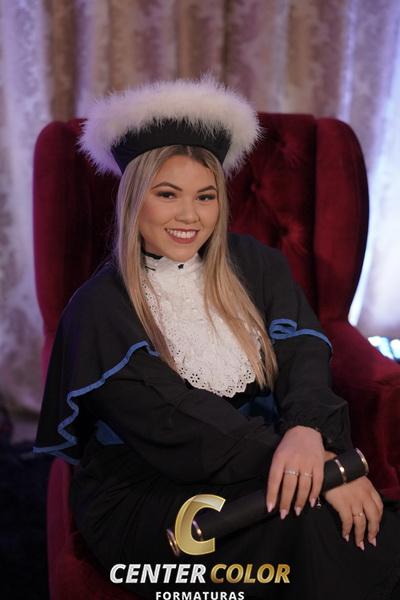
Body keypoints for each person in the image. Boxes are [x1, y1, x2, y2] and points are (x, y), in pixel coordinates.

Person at [33, 74, 400, 599]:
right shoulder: (99, 308)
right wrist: (324, 470)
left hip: (269, 455)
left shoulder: (257, 264)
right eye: (167, 194)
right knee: (311, 524)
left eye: (205, 196)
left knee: (350, 527)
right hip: (148, 489)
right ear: (134, 199)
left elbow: (303, 354)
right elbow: (179, 423)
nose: (189, 216)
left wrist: (309, 431)